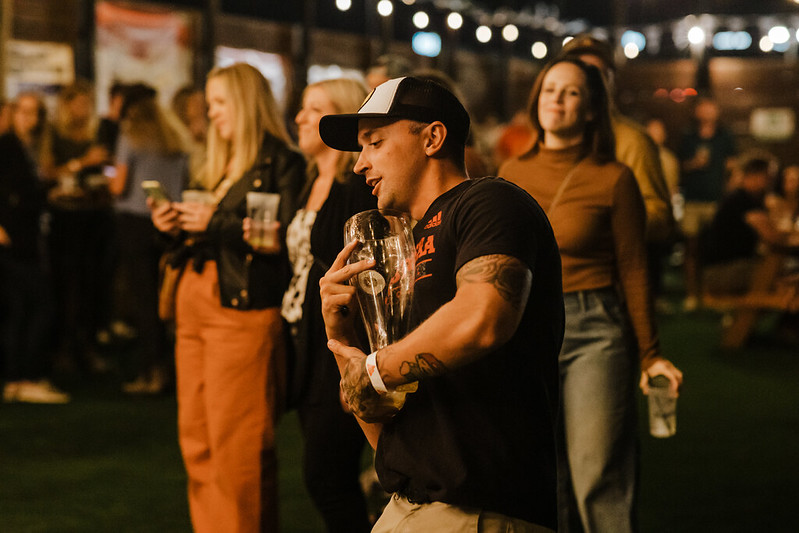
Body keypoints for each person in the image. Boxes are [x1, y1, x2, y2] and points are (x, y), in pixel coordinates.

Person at [318, 76, 564, 532]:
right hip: (405, 504)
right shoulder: (404, 250)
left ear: (432, 137)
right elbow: (384, 434)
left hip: (479, 509)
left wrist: (374, 370)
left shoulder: (489, 202)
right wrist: (341, 336)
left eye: (374, 142)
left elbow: (484, 317)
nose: (359, 164)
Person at [499, 58, 683, 533]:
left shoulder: (614, 178)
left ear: (591, 110)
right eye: (549, 89)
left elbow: (634, 268)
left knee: (596, 474)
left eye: (572, 92)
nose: (557, 99)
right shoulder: (511, 172)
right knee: (543, 476)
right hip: (526, 330)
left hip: (593, 328)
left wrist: (651, 354)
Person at [148, 63, 305, 533]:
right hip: (194, 303)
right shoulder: (216, 161)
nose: (211, 113)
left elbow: (288, 237)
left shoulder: (282, 161)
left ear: (244, 102)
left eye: (219, 102)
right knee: (197, 441)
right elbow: (215, 233)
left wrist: (214, 223)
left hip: (241, 310)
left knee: (239, 445)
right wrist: (172, 227)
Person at [249, 77, 375, 532]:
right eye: (302, 108)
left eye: (314, 109)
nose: (300, 118)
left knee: (327, 478)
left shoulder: (356, 187)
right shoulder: (308, 181)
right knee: (325, 475)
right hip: (303, 342)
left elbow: (368, 276)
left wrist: (356, 359)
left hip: (335, 345)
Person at [109, 84, 191, 394]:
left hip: (135, 223)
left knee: (144, 300)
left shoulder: (130, 136)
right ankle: (173, 368)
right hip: (171, 222)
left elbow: (118, 186)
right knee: (168, 296)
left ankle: (151, 371)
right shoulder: (176, 137)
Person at [0, 94, 68, 404]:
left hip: (25, 236)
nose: (31, 119)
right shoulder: (7, 147)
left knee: (22, 308)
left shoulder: (29, 148)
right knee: (39, 305)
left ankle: (19, 378)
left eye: (36, 112)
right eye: (25, 112)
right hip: (13, 240)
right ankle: (24, 377)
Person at [677, 97, 737, 309]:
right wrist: (694, 163)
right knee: (691, 248)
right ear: (696, 112)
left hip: (715, 200)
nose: (708, 111)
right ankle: (691, 294)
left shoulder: (724, 136)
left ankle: (711, 293)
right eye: (704, 107)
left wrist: (729, 192)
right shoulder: (688, 136)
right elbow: (680, 165)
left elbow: (732, 166)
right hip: (692, 199)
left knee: (714, 248)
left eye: (711, 107)